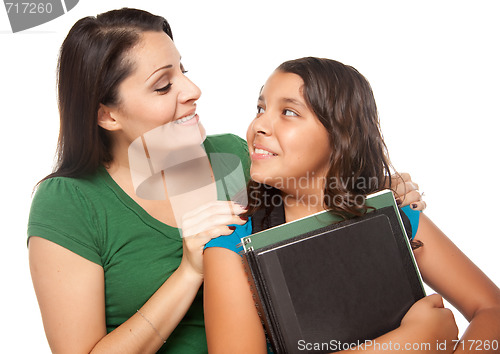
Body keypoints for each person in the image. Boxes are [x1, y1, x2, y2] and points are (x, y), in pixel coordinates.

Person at [27, 8, 423, 354]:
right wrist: (189, 272)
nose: (193, 91)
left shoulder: (234, 155)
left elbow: (314, 225)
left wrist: (374, 190)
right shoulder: (68, 202)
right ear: (107, 115)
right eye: (164, 85)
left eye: (184, 71)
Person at [203, 57, 500, 353]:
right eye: (261, 108)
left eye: (289, 112)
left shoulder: (391, 213)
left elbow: (491, 309)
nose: (259, 125)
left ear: (339, 134)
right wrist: (407, 343)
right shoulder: (232, 242)